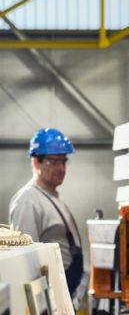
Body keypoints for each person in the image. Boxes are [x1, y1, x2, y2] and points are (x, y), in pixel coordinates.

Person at [9, 128, 84, 299]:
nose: (61, 168)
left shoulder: (52, 198)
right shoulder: (28, 200)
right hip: (48, 299)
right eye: (54, 162)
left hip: (62, 295)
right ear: (36, 161)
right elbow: (25, 261)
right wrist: (40, 306)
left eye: (64, 161)